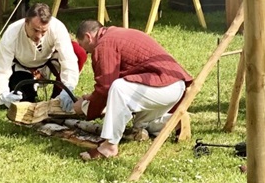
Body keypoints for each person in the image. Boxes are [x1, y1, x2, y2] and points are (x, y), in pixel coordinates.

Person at [73, 19, 192, 161]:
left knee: (119, 88)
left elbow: (105, 87)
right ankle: (174, 122)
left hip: (163, 86)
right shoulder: (116, 33)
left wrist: (86, 108)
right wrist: (92, 98)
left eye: (83, 45)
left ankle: (109, 147)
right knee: (140, 126)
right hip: (173, 87)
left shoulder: (104, 44)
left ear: (88, 37)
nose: (85, 51)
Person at [0, 3, 84, 109]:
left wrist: (68, 89)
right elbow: (1, 69)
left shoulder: (57, 28)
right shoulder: (12, 33)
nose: (39, 36)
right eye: (35, 30)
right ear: (26, 22)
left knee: (78, 52)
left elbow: (68, 60)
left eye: (44, 31)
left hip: (49, 62)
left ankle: (58, 96)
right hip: (23, 67)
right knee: (23, 101)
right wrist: (2, 94)